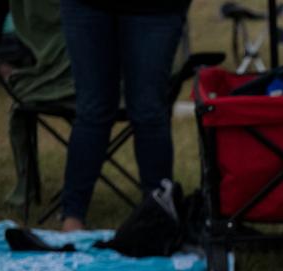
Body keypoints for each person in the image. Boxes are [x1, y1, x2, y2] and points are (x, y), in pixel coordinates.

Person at [57, 0, 188, 231]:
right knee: (92, 112)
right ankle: (72, 216)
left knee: (148, 112)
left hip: (157, 10)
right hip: (85, 6)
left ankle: (159, 215)